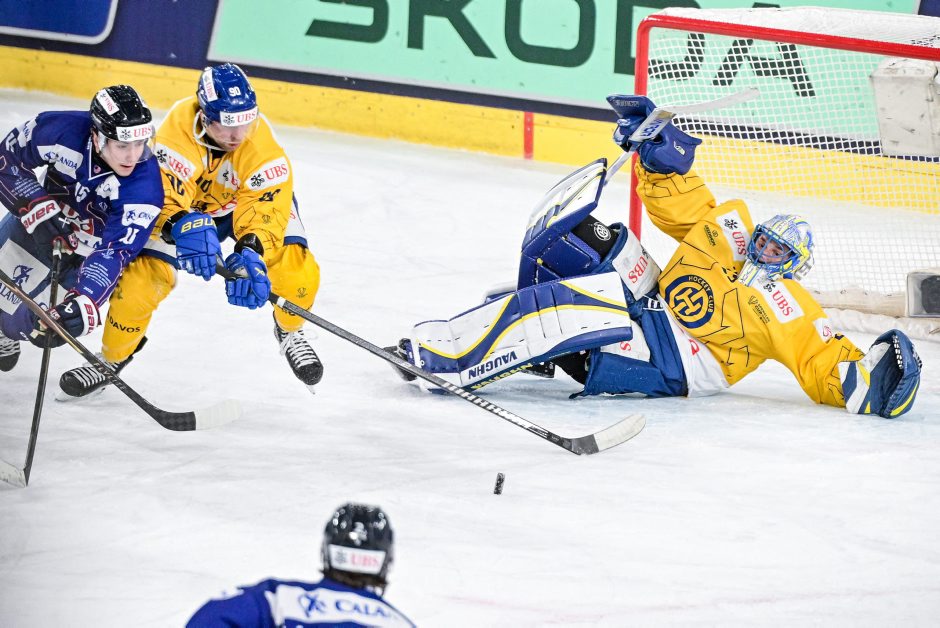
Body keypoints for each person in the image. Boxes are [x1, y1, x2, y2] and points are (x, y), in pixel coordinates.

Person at [388, 94, 921, 420]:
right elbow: (681, 203)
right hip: (653, 303)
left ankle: (443, 358)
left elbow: (821, 360)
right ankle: (521, 326)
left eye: (778, 251)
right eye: (764, 240)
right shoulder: (729, 235)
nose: (763, 250)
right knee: (590, 237)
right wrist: (658, 154)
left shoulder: (788, 305)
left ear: (792, 264)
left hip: (679, 360)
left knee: (571, 308)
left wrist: (879, 384)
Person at [57, 63, 323, 399]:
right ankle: (112, 358)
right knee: (141, 282)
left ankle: (290, 330)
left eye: (245, 121)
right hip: (185, 212)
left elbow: (266, 206)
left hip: (242, 207)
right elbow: (158, 195)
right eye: (226, 124)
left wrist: (252, 250)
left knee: (297, 269)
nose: (237, 135)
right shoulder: (176, 131)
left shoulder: (262, 146)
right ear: (204, 116)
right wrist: (178, 224)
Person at [0, 85, 162, 370]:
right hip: (39, 227)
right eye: (122, 146)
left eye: (140, 143)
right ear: (97, 137)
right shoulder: (59, 129)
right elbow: (7, 160)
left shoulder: (145, 188)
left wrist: (84, 299)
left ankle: (8, 330)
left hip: (85, 254)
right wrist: (37, 209)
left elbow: (114, 252)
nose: (133, 156)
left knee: (41, 324)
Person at [186, 503, 415, 627]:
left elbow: (209, 620)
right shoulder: (400, 623)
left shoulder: (282, 598)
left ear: (326, 552)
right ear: (385, 561)